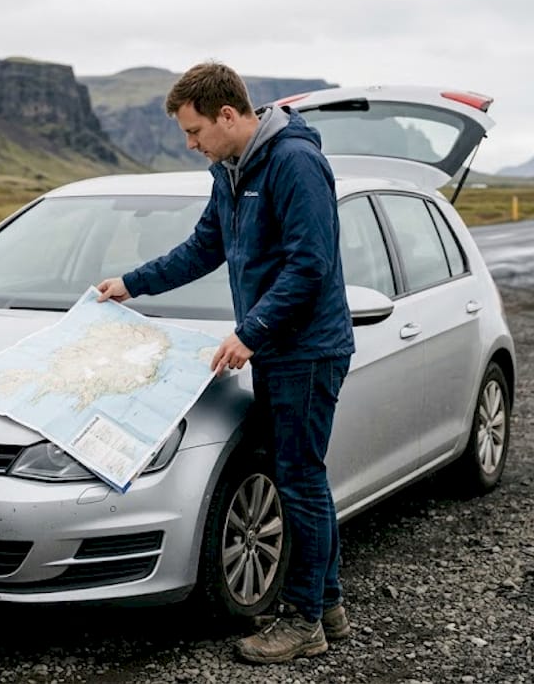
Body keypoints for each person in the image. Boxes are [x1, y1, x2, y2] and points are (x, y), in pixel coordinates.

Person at [95, 61, 355, 664]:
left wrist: (251, 332)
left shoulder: (294, 164)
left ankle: (304, 623)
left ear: (229, 116)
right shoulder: (230, 170)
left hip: (307, 349)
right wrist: (132, 284)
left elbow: (310, 264)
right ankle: (330, 607)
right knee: (303, 476)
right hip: (282, 347)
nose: (191, 145)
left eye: (195, 132)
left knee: (298, 481)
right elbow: (205, 246)